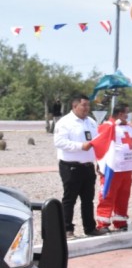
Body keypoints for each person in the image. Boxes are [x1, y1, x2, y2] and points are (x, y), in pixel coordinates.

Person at [53, 94, 104, 238]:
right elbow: (59, 142)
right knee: (70, 199)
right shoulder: (64, 122)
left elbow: (97, 143)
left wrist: (99, 162)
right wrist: (80, 146)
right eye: (84, 105)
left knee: (88, 199)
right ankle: (67, 229)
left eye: (88, 105)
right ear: (75, 106)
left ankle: (90, 228)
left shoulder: (92, 122)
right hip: (71, 167)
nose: (87, 108)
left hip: (88, 166)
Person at [95, 104, 132, 231]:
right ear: (119, 114)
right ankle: (102, 224)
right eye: (126, 113)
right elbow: (99, 144)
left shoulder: (128, 127)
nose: (128, 116)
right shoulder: (107, 126)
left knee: (123, 196)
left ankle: (121, 221)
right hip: (112, 168)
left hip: (126, 168)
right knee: (107, 195)